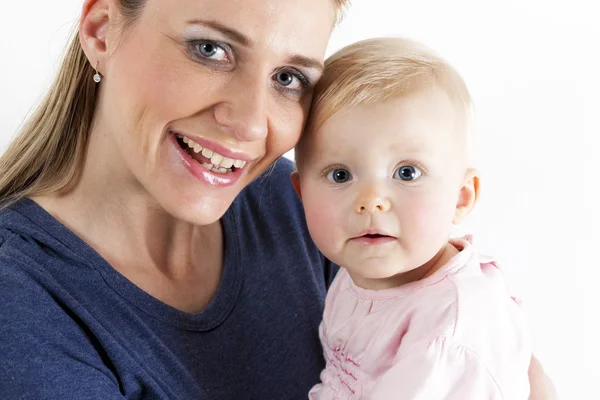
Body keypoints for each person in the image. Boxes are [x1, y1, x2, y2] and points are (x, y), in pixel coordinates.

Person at [0, 0, 555, 399]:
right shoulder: (22, 308)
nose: (249, 124)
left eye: (288, 78)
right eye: (210, 49)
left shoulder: (297, 203)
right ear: (101, 31)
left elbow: (508, 370)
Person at [291, 38, 530, 398]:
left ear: (461, 197)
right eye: (340, 175)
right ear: (301, 194)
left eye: (407, 173)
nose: (371, 201)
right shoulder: (362, 273)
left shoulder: (447, 338)